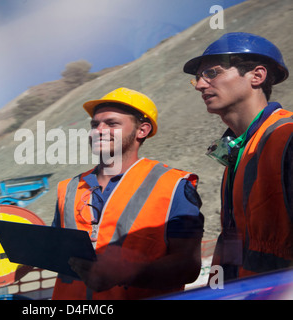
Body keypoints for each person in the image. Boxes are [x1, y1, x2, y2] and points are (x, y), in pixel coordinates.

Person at [51, 87, 204, 300]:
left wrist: (124, 274)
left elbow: (188, 266)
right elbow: (55, 251)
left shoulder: (173, 185)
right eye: (95, 124)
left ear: (142, 130)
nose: (98, 130)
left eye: (111, 124)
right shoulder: (68, 188)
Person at [183, 32, 293, 282]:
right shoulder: (239, 151)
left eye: (212, 73)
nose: (200, 85)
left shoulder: (287, 137)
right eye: (198, 79)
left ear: (257, 75)